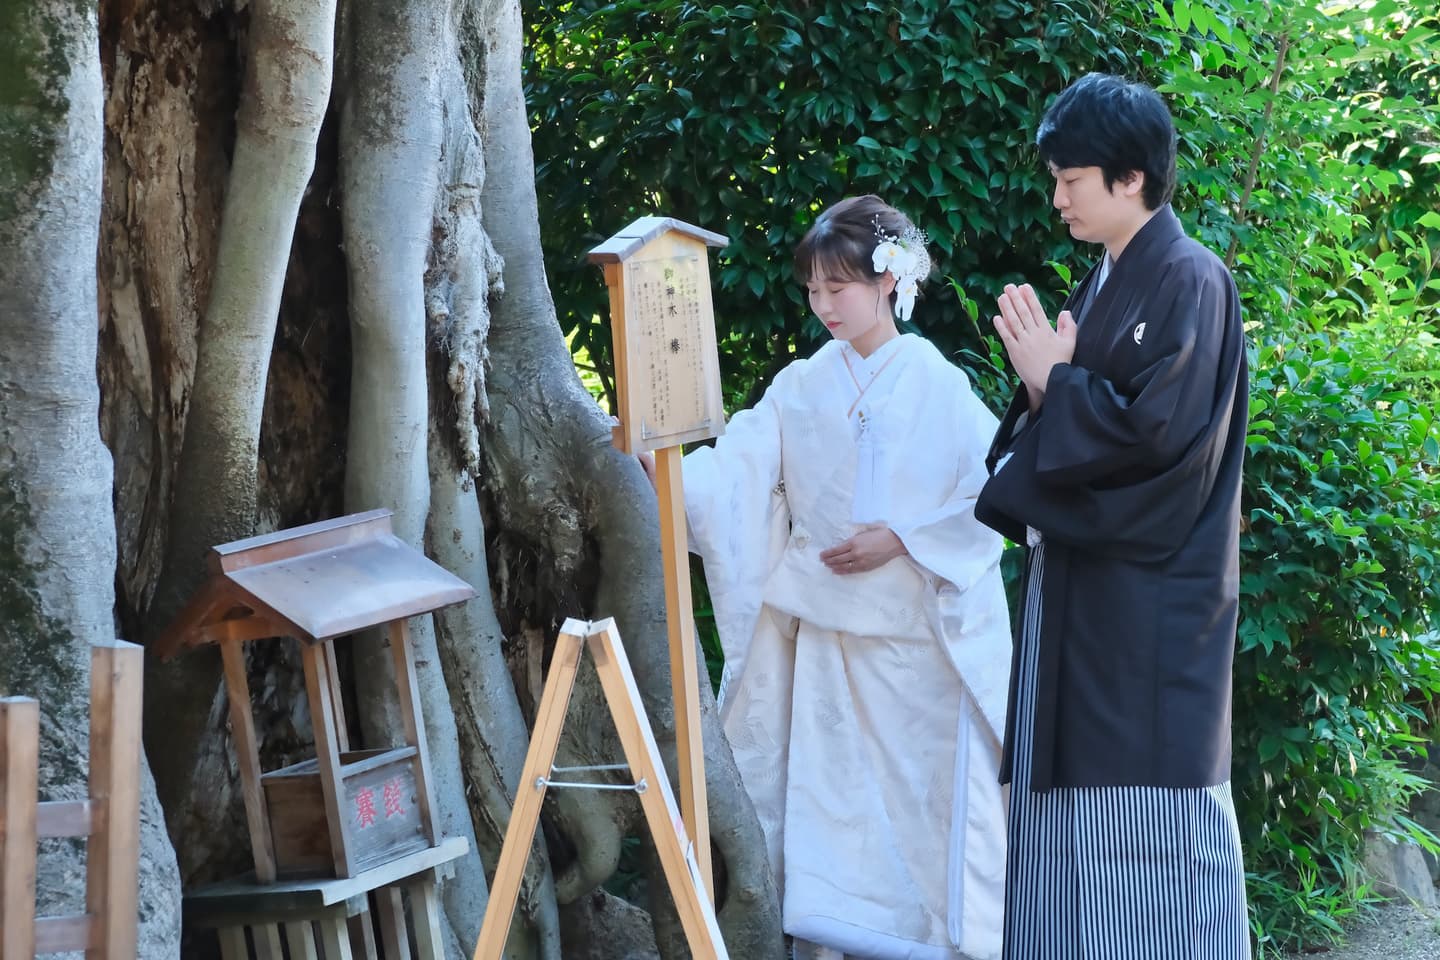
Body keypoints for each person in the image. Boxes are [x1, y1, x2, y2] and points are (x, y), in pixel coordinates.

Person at [665, 195, 1012, 960]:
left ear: (888, 282)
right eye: (814, 290)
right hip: (826, 639)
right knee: (835, 817)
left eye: (839, 288)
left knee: (917, 825)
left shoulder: (935, 382)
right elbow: (734, 478)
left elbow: (995, 491)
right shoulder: (802, 385)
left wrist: (904, 539)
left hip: (915, 651)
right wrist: (655, 474)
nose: (824, 305)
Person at [976, 74, 1251, 959]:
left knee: (1146, 820)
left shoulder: (1189, 279)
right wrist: (1045, 385)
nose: (1057, 197)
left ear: (1131, 178)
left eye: (1072, 179)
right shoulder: (1105, 280)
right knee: (1064, 817)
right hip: (1083, 601)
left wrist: (1057, 382)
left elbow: (1159, 441)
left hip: (1150, 616)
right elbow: (1080, 417)